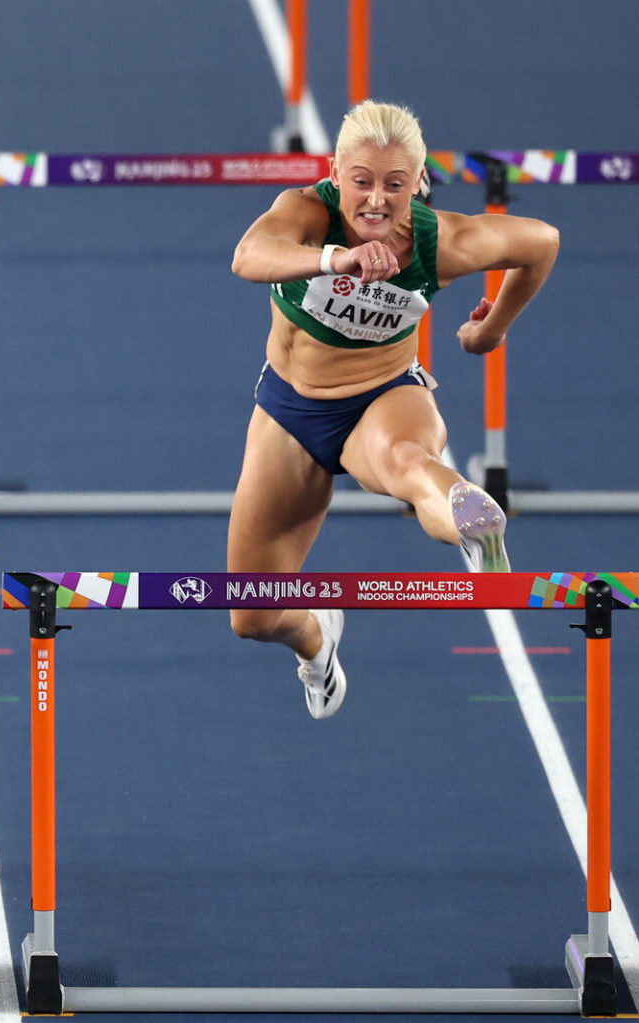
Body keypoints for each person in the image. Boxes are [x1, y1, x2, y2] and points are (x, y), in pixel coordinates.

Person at [228, 101, 560, 719]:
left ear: (418, 182)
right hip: (289, 412)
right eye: (361, 181)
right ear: (335, 174)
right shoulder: (305, 211)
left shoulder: (443, 242)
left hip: (383, 395)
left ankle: (470, 517)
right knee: (253, 613)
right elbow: (248, 257)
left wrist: (494, 331)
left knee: (409, 460)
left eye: (395, 184)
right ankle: (316, 639)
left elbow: (541, 243)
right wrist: (338, 259)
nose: (376, 200)